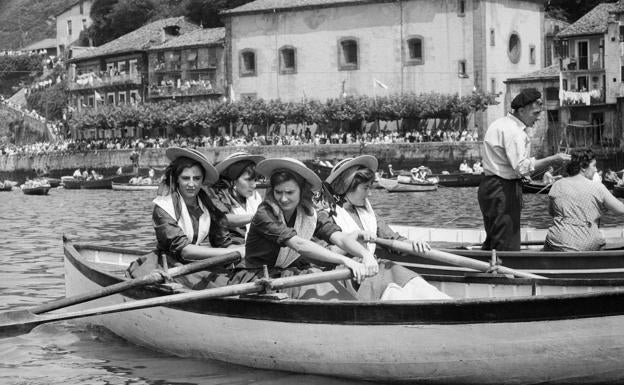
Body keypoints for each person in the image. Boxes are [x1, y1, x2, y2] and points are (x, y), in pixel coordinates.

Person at [229, 157, 374, 300]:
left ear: (302, 191)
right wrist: (345, 260)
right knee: (319, 280)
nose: (283, 199)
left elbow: (339, 237)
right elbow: (299, 245)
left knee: (326, 278)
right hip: (258, 278)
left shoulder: (310, 213)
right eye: (278, 192)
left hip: (286, 275)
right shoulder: (265, 213)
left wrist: (365, 255)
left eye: (290, 192)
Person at [324, 156, 451, 300]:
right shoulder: (326, 214)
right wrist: (353, 240)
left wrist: (412, 244)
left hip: (376, 267)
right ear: (346, 186)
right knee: (397, 296)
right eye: (365, 188)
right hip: (351, 274)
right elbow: (322, 255)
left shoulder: (368, 213)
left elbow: (393, 240)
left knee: (423, 288)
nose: (369, 194)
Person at [127, 147, 242, 289]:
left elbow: (222, 242)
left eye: (197, 178)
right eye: (185, 178)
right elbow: (185, 250)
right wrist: (233, 253)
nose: (192, 184)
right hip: (167, 264)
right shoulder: (163, 207)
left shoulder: (208, 205)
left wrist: (247, 249)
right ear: (177, 179)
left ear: (202, 180)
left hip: (195, 263)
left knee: (236, 277)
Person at [478, 88, 570, 251]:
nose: (538, 117)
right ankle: (504, 272)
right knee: (506, 241)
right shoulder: (514, 132)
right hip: (502, 188)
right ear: (521, 110)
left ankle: (491, 268)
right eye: (535, 113)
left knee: (495, 237)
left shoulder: (500, 124)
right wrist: (552, 159)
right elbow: (521, 167)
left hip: (490, 186)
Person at [544, 150, 624, 251]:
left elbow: (551, 212)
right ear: (583, 167)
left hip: (558, 242)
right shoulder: (598, 187)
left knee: (550, 243)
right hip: (589, 242)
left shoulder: (557, 185)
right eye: (594, 165)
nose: (596, 170)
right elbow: (621, 210)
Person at [210, 152, 265, 246]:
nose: (254, 185)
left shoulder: (255, 197)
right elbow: (223, 219)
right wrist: (258, 217)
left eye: (255, 180)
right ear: (233, 180)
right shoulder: (219, 197)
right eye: (248, 180)